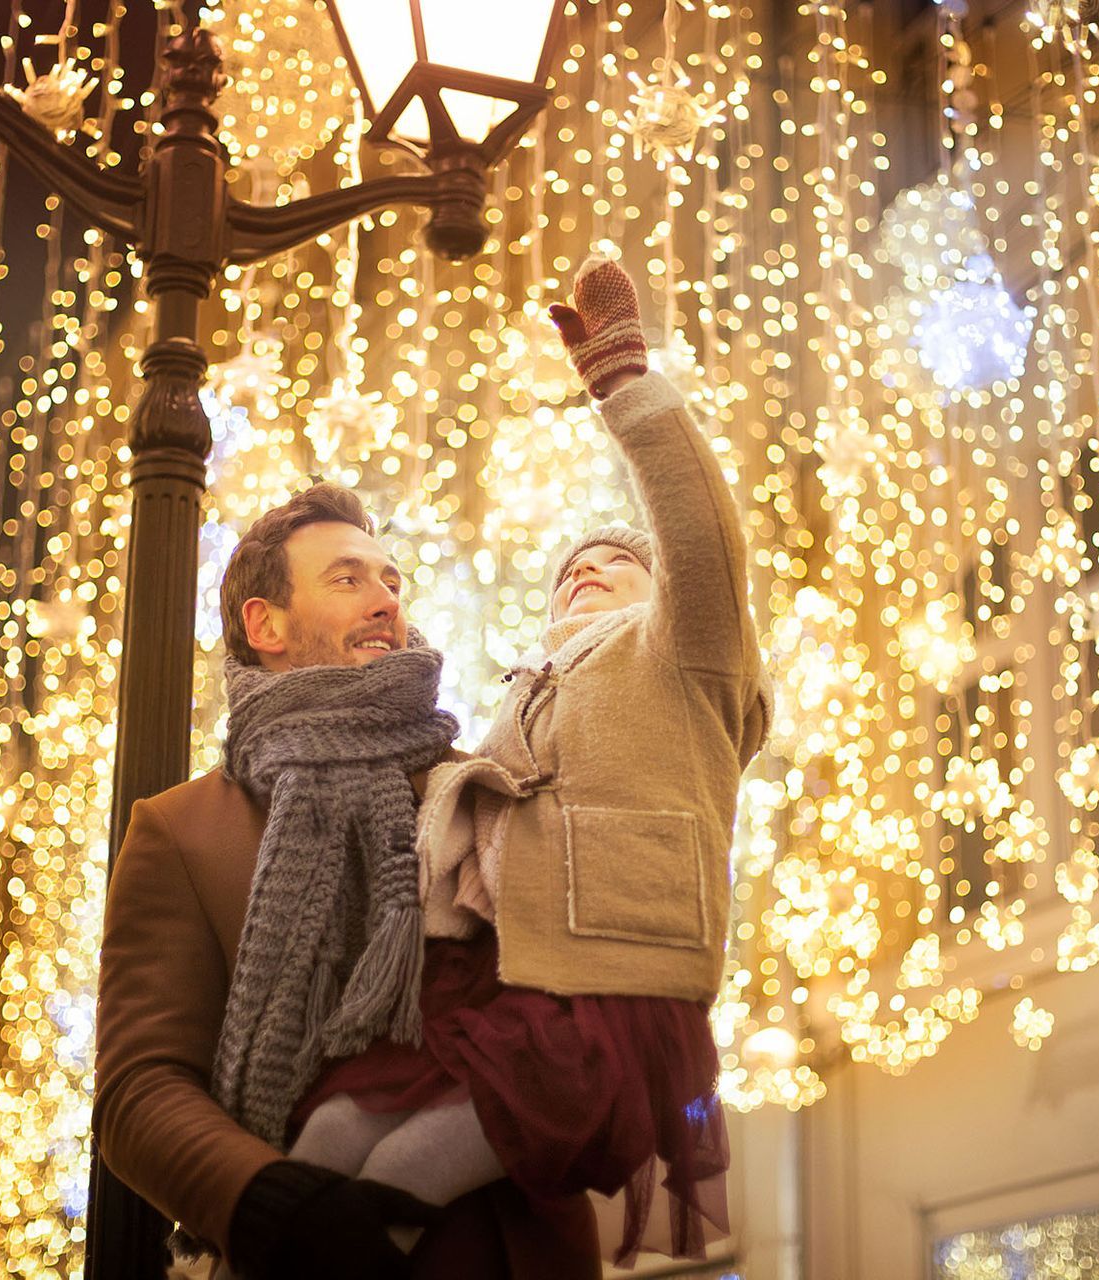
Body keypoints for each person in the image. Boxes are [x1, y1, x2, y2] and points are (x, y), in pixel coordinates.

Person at [283, 255, 770, 1265]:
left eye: (613, 564)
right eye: (567, 576)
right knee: (327, 1140)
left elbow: (699, 534)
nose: (585, 571)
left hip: (615, 990)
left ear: (659, 589)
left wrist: (624, 381)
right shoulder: (527, 698)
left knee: (399, 1175)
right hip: (508, 992)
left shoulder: (681, 649)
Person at [94, 483, 602, 1280]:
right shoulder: (184, 830)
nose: (384, 602)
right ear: (265, 624)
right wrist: (271, 1200)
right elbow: (139, 1091)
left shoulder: (485, 791)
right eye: (348, 579)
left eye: (391, 582)